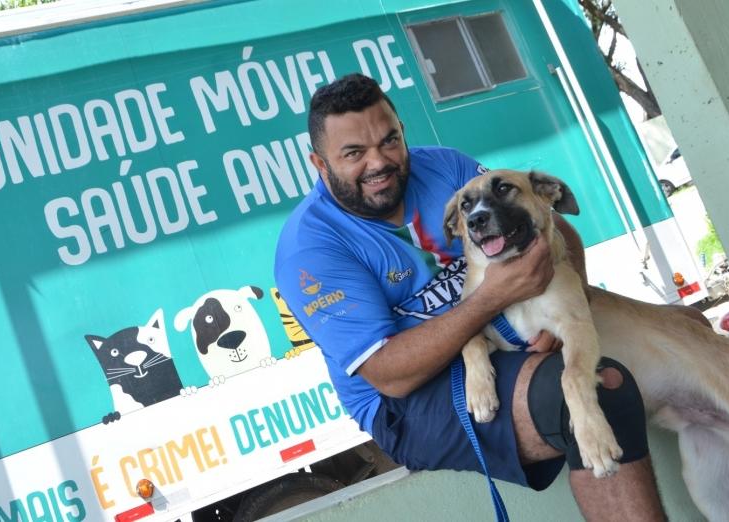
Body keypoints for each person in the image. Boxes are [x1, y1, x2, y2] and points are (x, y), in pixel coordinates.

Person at [274, 73, 666, 520]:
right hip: (408, 399)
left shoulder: (447, 168)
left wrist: (567, 311)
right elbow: (389, 375)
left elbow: (560, 233)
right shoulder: (310, 247)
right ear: (320, 164)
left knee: (684, 329)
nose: (379, 161)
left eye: (389, 141)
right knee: (597, 391)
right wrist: (489, 300)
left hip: (505, 328)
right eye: (354, 153)